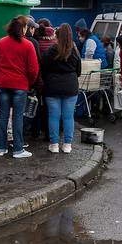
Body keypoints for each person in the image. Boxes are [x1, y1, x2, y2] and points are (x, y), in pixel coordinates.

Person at [0, 16, 39, 158]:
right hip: (20, 86)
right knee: (18, 117)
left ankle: (1, 148)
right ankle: (18, 149)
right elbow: (33, 69)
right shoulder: (28, 45)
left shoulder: (1, 42)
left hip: (3, 85)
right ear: (23, 28)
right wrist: (29, 83)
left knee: (3, 116)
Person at [41, 23, 81, 154]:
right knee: (68, 117)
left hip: (52, 87)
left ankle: (54, 145)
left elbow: (43, 70)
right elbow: (78, 71)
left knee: (53, 116)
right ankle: (67, 145)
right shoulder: (74, 51)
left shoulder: (50, 51)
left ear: (56, 37)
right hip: (70, 87)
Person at [34, 21, 58, 140]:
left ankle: (37, 130)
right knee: (51, 108)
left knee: (37, 105)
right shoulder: (55, 44)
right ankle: (49, 134)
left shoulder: (37, 43)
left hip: (39, 79)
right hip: (51, 80)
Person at [24, 16, 41, 139]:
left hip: (17, 82)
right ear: (29, 28)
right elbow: (37, 64)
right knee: (32, 109)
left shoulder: (9, 40)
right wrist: (35, 82)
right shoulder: (33, 42)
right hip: (29, 82)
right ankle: (32, 133)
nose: (34, 30)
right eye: (33, 28)